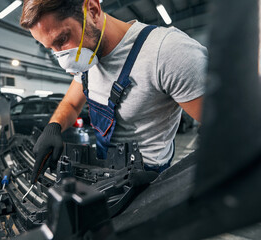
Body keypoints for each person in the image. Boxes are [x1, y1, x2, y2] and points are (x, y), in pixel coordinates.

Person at [20, 0, 207, 183]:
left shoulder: (168, 52)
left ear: (92, 10)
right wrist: (54, 126)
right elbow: (71, 104)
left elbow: (226, 126)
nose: (63, 60)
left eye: (62, 39)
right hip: (105, 171)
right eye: (52, 49)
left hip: (148, 179)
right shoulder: (86, 58)